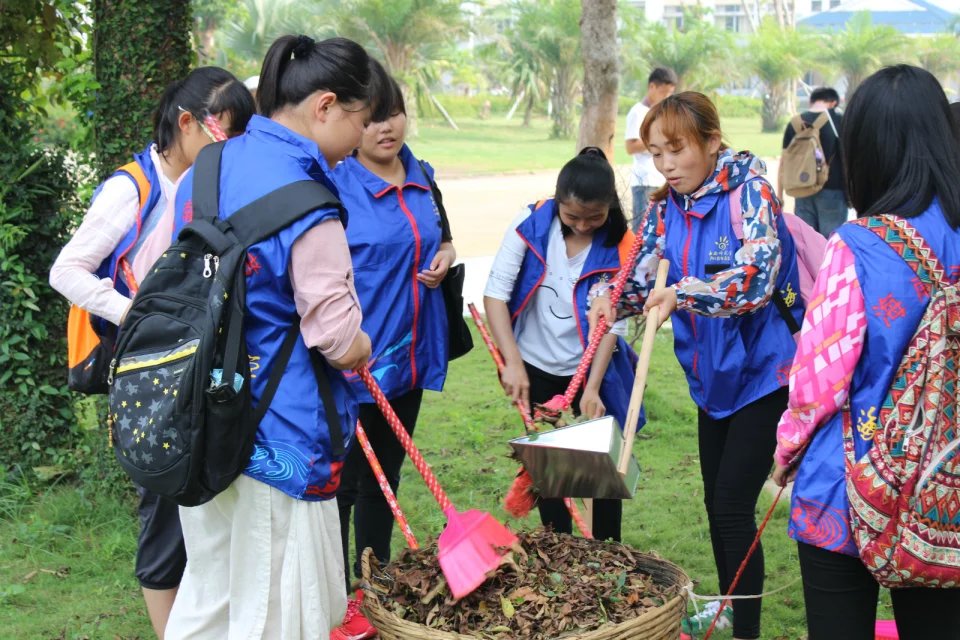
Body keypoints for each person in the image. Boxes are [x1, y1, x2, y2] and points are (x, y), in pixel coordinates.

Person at [162, 35, 393, 639]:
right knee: (281, 611)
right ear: (325, 106)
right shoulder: (310, 199)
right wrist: (366, 348)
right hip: (281, 434)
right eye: (360, 121)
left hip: (200, 420)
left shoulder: (204, 168)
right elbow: (337, 338)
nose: (359, 142)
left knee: (210, 593)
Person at [589, 92, 805, 640]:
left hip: (765, 374)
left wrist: (682, 293)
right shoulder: (665, 208)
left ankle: (747, 631)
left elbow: (756, 278)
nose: (665, 164)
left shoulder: (750, 193)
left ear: (711, 142)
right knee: (715, 504)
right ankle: (732, 609)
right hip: (710, 382)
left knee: (733, 504)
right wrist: (609, 297)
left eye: (676, 150)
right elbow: (638, 278)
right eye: (656, 152)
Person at [49, 67, 255, 639]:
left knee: (209, 491)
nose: (232, 148)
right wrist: (137, 313)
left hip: (200, 364)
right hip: (149, 371)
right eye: (225, 134)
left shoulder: (213, 180)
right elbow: (66, 270)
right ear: (187, 123)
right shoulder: (132, 188)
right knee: (165, 500)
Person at [771, 65, 960, 640]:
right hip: (945, 486)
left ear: (866, 150)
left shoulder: (858, 245)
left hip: (846, 485)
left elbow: (818, 379)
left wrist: (785, 451)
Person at [328, 77, 456, 640]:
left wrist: (446, 255)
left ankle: (372, 591)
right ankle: (332, 595)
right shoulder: (334, 182)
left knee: (388, 477)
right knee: (343, 483)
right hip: (351, 358)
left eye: (395, 114)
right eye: (373, 117)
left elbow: (443, 237)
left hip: (410, 358)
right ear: (352, 122)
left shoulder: (422, 173)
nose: (386, 127)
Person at [483, 147, 637, 542]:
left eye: (595, 217)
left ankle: (607, 556)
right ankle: (560, 551)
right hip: (533, 363)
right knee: (549, 471)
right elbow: (495, 294)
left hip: (588, 367)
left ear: (610, 208)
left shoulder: (622, 244)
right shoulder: (531, 222)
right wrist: (512, 363)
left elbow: (613, 324)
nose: (584, 226)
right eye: (572, 217)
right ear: (557, 202)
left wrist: (590, 388)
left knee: (601, 472)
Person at [778, 86, 846, 238]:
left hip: (801, 190)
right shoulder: (838, 120)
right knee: (831, 245)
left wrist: (780, 196)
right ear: (833, 102)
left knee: (807, 245)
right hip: (833, 191)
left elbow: (783, 163)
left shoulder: (794, 123)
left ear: (811, 101)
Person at [624, 67, 677, 232]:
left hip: (662, 178)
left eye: (669, 94)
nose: (666, 97)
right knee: (642, 229)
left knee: (660, 228)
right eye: (663, 92)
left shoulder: (662, 113)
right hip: (644, 180)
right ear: (652, 87)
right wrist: (658, 142)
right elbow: (630, 146)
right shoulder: (638, 112)